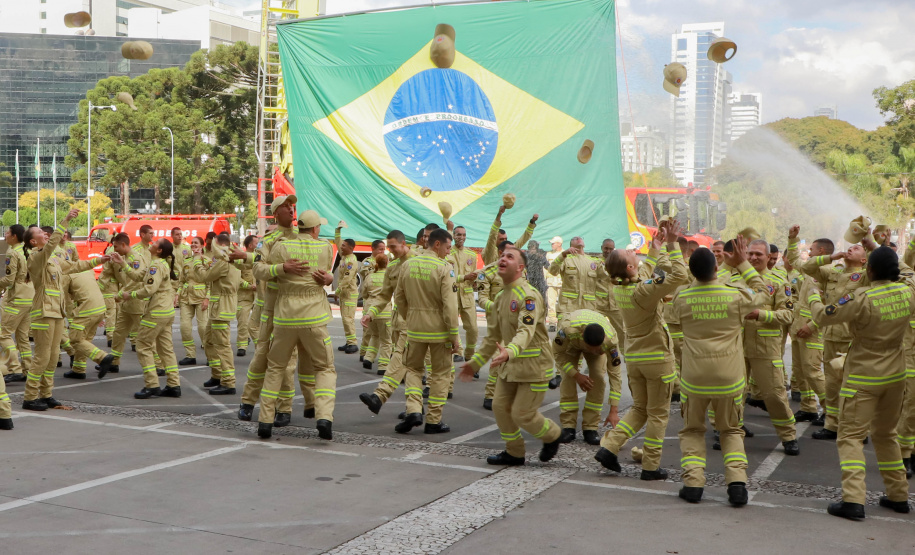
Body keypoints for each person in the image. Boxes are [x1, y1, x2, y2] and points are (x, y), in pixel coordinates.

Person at [809, 246, 913, 520]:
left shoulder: (861, 298)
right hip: (896, 374)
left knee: (850, 437)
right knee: (887, 434)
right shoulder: (908, 292)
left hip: (863, 375)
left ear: (869, 270)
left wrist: (812, 296)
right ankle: (899, 495)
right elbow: (908, 272)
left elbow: (822, 316)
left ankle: (853, 499)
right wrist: (876, 244)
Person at [673, 238, 767, 505]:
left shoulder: (682, 297)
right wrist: (743, 264)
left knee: (692, 430)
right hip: (729, 378)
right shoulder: (735, 295)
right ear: (716, 267)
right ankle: (737, 485)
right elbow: (764, 291)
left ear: (691, 271)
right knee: (731, 430)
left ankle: (693, 484)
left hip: (694, 378)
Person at [595, 221, 688, 479]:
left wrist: (655, 246)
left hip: (635, 359)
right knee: (658, 415)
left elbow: (642, 273)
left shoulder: (621, 287)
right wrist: (672, 243)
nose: (633, 251)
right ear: (629, 267)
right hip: (657, 359)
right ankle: (650, 466)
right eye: (629, 253)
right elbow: (680, 276)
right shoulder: (643, 290)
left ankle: (609, 448)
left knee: (639, 409)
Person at [459, 245, 562, 465]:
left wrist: (510, 351)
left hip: (534, 367)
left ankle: (553, 435)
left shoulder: (528, 295)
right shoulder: (500, 298)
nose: (503, 259)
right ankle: (514, 452)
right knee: (499, 407)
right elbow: (492, 337)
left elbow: (526, 331)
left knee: (522, 414)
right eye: (502, 255)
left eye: (510, 256)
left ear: (520, 267)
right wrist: (475, 363)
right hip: (511, 366)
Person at [257, 209, 335, 440]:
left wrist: (281, 269)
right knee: (324, 368)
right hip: (314, 318)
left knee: (275, 368)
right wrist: (329, 279)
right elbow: (325, 275)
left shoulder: (281, 247)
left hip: (285, 318)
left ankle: (265, 421)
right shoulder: (325, 247)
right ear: (315, 228)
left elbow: (260, 270)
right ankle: (324, 417)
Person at [21, 209, 111, 411]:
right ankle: (30, 397)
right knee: (42, 357)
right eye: (40, 232)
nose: (44, 234)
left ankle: (46, 394)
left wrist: (100, 260)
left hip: (57, 312)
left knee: (53, 357)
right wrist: (66, 220)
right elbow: (51, 244)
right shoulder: (36, 257)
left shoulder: (52, 259)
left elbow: (75, 266)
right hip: (43, 312)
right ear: (33, 242)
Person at [236, 196, 303, 425]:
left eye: (291, 206)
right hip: (272, 308)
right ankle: (247, 402)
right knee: (261, 358)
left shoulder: (302, 238)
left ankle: (284, 409)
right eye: (285, 207)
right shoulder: (268, 241)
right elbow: (258, 269)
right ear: (275, 213)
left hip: (294, 310)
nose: (290, 209)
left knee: (289, 362)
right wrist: (282, 268)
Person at [801, 239, 871, 440]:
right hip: (831, 336)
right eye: (850, 247)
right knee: (832, 384)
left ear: (864, 259)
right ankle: (832, 425)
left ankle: (858, 429)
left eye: (856, 248)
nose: (851, 249)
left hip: (852, 339)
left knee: (854, 386)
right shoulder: (834, 272)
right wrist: (831, 257)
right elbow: (807, 267)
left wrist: (872, 244)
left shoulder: (865, 276)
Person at [736, 238, 800, 456]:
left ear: (768, 257)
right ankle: (730, 431)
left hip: (765, 347)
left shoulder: (779, 281)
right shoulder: (735, 280)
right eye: (750, 254)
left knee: (774, 394)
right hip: (736, 346)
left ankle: (788, 436)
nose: (753, 257)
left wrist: (761, 314)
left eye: (758, 254)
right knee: (734, 394)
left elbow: (788, 314)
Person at [392, 228, 460, 434]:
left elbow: (399, 297)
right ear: (437, 244)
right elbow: (450, 306)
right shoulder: (445, 268)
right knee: (440, 374)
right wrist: (454, 335)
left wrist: (410, 317)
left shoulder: (408, 264)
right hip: (440, 332)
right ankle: (433, 421)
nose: (449, 252)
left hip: (415, 329)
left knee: (413, 370)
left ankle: (413, 409)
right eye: (447, 247)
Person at [358, 230, 415, 416]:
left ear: (403, 243)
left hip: (417, 323)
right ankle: (414, 410)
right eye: (388, 247)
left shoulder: (418, 261)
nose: (390, 250)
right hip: (398, 321)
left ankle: (380, 396)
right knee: (412, 369)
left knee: (399, 359)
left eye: (393, 246)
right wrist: (370, 313)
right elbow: (384, 295)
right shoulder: (393, 267)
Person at [122, 238, 181, 399]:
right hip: (166, 311)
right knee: (166, 349)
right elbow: (138, 276)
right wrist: (122, 264)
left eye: (156, 243)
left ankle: (152, 384)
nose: (152, 242)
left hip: (156, 312)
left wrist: (130, 295)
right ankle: (174, 385)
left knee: (143, 345)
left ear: (159, 250)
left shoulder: (156, 266)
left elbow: (149, 289)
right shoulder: (159, 264)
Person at [554, 309, 622, 445]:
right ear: (582, 336)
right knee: (568, 378)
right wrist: (577, 375)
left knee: (598, 378)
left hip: (594, 341)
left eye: (598, 348)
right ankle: (568, 427)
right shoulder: (567, 330)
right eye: (591, 348)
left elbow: (615, 375)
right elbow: (558, 355)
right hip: (572, 345)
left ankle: (590, 428)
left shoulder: (610, 340)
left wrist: (614, 410)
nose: (594, 351)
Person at [192, 234, 241, 395]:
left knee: (222, 345)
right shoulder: (226, 258)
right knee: (209, 340)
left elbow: (204, 277)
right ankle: (217, 374)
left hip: (222, 308)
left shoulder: (224, 261)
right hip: (218, 307)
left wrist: (197, 260)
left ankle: (228, 382)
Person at [109, 225, 154, 370]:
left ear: (123, 245)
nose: (115, 249)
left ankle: (158, 364)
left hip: (136, 303)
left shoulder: (135, 258)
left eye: (116, 246)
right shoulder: (126, 258)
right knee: (118, 333)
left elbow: (136, 281)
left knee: (145, 335)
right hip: (127, 304)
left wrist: (120, 294)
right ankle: (114, 362)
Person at [62, 264, 116, 380]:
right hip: (100, 308)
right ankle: (78, 369)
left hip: (86, 309)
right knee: (84, 340)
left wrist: (68, 318)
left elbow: (65, 299)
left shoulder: (66, 274)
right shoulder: (87, 270)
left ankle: (102, 357)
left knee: (75, 339)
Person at [0, 225, 33, 383]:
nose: (5, 235)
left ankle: (15, 368)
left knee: (4, 334)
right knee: (22, 337)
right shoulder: (28, 251)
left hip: (17, 299)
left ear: (14, 236)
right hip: (29, 297)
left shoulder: (12, 253)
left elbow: (9, 279)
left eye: (7, 232)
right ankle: (28, 369)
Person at [446, 225, 480, 362]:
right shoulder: (448, 253)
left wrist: (475, 281)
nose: (462, 237)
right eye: (459, 234)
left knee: (473, 329)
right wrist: (464, 277)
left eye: (464, 235)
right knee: (452, 327)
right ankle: (456, 352)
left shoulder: (471, 254)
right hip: (452, 295)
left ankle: (469, 355)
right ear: (453, 236)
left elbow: (474, 274)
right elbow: (447, 275)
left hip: (467, 296)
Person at [548, 236, 599, 322]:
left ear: (584, 245)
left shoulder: (592, 261)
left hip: (587, 308)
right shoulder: (566, 259)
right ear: (571, 245)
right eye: (575, 239)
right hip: (568, 307)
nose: (578, 239)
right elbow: (552, 271)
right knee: (566, 329)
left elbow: (604, 279)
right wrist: (563, 255)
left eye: (580, 238)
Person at [178, 237, 208, 365]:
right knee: (184, 327)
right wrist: (177, 294)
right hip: (186, 298)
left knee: (203, 328)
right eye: (192, 243)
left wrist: (207, 298)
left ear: (202, 246)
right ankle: (190, 355)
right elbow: (182, 281)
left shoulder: (206, 261)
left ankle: (210, 355)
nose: (193, 245)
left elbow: (211, 282)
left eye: (196, 243)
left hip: (201, 298)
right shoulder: (186, 260)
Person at [360, 254, 392, 375]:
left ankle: (368, 358)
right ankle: (383, 366)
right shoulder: (389, 276)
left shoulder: (370, 276)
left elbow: (364, 293)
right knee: (386, 341)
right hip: (384, 311)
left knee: (374, 336)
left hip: (370, 310)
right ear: (387, 263)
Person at [358, 239, 386, 362]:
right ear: (373, 249)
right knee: (368, 330)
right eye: (380, 249)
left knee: (381, 332)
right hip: (370, 299)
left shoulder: (386, 261)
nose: (382, 251)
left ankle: (371, 355)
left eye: (384, 249)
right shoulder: (367, 262)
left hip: (383, 302)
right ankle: (363, 353)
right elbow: (366, 273)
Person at [334, 224, 360, 353]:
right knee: (345, 319)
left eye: (344, 246)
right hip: (345, 294)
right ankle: (349, 341)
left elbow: (347, 278)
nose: (341, 247)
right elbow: (338, 242)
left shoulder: (351, 261)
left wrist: (337, 291)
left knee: (348, 319)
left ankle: (353, 343)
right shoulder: (344, 256)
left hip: (349, 294)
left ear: (350, 248)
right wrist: (337, 231)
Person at [234, 235, 257, 356]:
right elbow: (237, 278)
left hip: (258, 295)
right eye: (256, 243)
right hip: (244, 295)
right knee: (242, 320)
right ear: (250, 245)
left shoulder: (259, 258)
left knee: (259, 324)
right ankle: (242, 345)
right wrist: (248, 285)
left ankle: (260, 346)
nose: (259, 245)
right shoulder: (240, 259)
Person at [546, 236, 564, 327]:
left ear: (559, 244)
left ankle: (562, 323)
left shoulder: (565, 254)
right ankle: (552, 323)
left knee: (562, 303)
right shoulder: (549, 254)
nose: (552, 245)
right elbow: (545, 268)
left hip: (562, 283)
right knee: (551, 303)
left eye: (553, 243)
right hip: (550, 283)